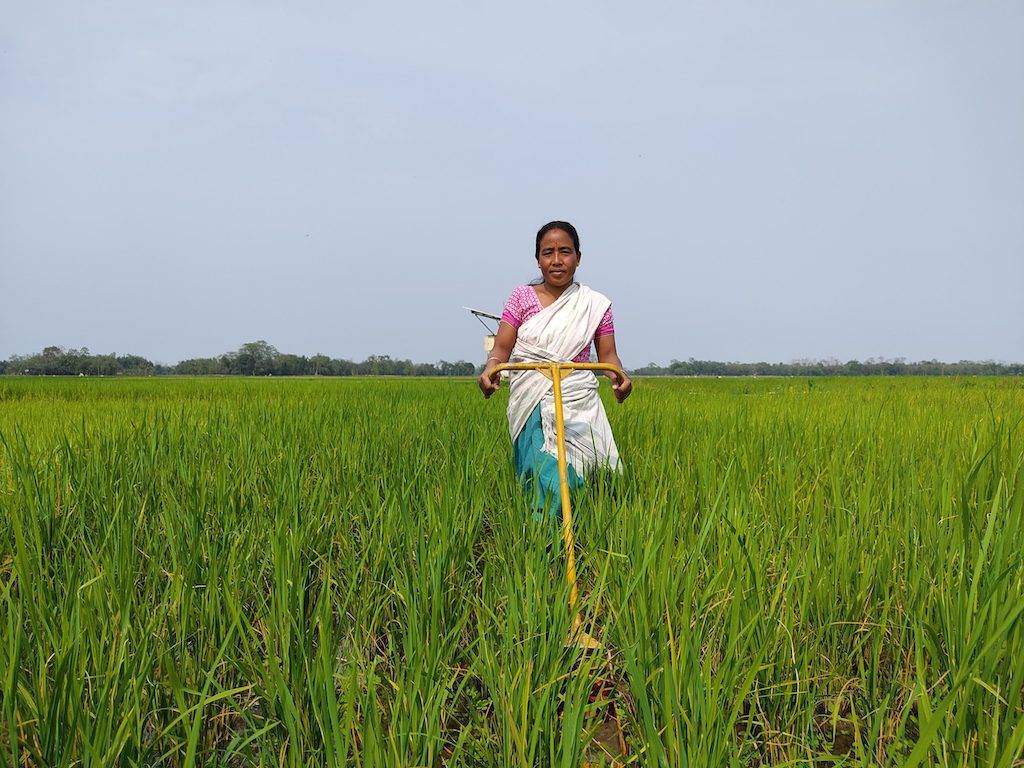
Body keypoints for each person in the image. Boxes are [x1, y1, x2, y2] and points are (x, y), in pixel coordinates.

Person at [479, 220, 632, 515]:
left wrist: (620, 379)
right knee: (545, 474)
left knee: (588, 477)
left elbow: (609, 356)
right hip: (533, 399)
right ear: (538, 259)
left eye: (565, 251)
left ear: (578, 257)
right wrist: (491, 369)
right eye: (548, 252)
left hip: (578, 401)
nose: (557, 260)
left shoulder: (594, 304)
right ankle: (544, 547)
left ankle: (586, 535)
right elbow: (500, 349)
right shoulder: (520, 298)